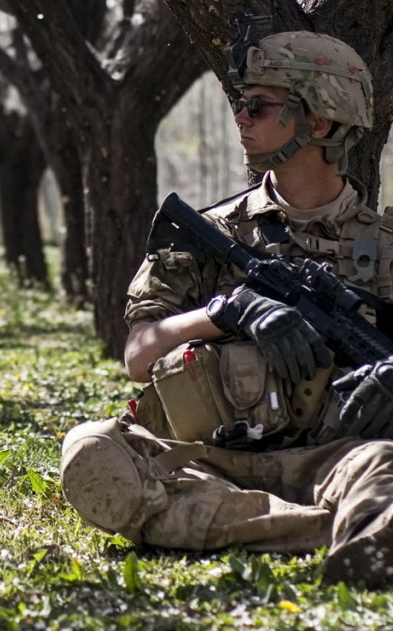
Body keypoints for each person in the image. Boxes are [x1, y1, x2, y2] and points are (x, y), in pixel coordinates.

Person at [60, 29, 393, 589]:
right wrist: (227, 311)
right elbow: (139, 357)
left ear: (320, 123)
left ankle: (330, 529)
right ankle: (330, 531)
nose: (241, 116)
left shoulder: (383, 246)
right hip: (210, 459)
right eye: (241, 104)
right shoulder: (211, 234)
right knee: (92, 452)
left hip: (342, 457)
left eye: (258, 106)